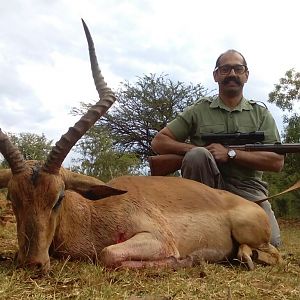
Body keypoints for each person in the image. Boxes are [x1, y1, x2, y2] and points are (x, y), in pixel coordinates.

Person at [151, 49, 284, 247]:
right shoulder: (199, 109)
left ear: (246, 75)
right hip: (204, 192)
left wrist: (230, 154)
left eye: (238, 69)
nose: (232, 74)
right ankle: (203, 230)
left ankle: (218, 241)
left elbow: (277, 161)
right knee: (197, 155)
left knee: (270, 242)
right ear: (216, 75)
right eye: (225, 69)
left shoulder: (261, 114)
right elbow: (159, 142)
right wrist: (199, 151)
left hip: (248, 189)